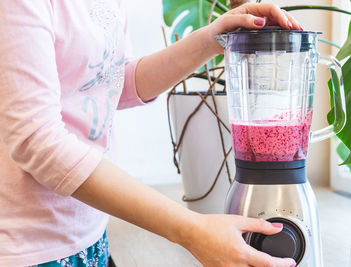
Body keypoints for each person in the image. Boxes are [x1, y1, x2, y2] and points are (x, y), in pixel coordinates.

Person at [0, 1, 302, 266]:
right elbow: (37, 140)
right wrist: (191, 230)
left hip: (88, 232)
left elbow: (112, 81)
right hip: (28, 247)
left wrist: (212, 39)